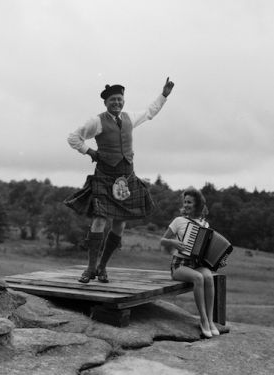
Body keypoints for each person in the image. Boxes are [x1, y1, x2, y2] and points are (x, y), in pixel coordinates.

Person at [65, 77, 174, 283]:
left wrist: (164, 95)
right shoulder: (96, 121)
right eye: (113, 100)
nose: (117, 102)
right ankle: (90, 269)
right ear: (105, 103)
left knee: (120, 224)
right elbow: (73, 137)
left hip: (127, 175)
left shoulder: (130, 117)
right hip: (105, 176)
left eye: (120, 99)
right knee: (99, 219)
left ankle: (103, 268)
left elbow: (150, 112)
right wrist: (89, 151)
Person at [160, 187, 220, 338]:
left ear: (198, 204)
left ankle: (211, 320)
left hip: (196, 264)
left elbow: (206, 248)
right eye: (185, 202)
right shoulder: (178, 221)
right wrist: (174, 243)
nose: (186, 205)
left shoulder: (204, 225)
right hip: (179, 265)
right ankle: (203, 319)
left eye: (190, 202)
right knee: (198, 278)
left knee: (209, 277)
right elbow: (162, 240)